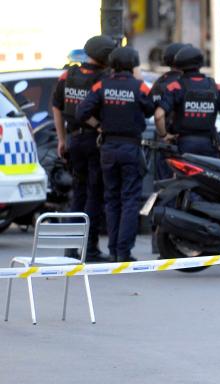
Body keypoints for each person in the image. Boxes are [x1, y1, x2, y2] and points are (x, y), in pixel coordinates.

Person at [76, 47, 155, 262]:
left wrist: (99, 125)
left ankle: (112, 250)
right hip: (130, 148)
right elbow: (150, 109)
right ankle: (123, 252)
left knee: (111, 200)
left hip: (108, 149)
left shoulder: (102, 85)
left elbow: (81, 112)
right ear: (133, 64)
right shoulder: (139, 87)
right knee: (130, 199)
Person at [52, 35, 116, 262]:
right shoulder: (104, 78)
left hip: (74, 141)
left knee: (77, 195)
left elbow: (57, 107)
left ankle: (71, 249)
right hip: (95, 142)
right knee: (94, 195)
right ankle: (89, 249)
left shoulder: (68, 75)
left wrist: (62, 139)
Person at [155, 46, 220, 158]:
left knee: (180, 176)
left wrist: (164, 135)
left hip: (183, 146)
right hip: (209, 147)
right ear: (201, 64)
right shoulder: (217, 87)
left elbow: (159, 115)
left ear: (180, 65)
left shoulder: (175, 86)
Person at [149, 42, 188, 179]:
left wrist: (164, 135)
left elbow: (151, 111)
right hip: (185, 141)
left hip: (164, 143)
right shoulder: (186, 82)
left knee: (164, 187)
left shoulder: (159, 83)